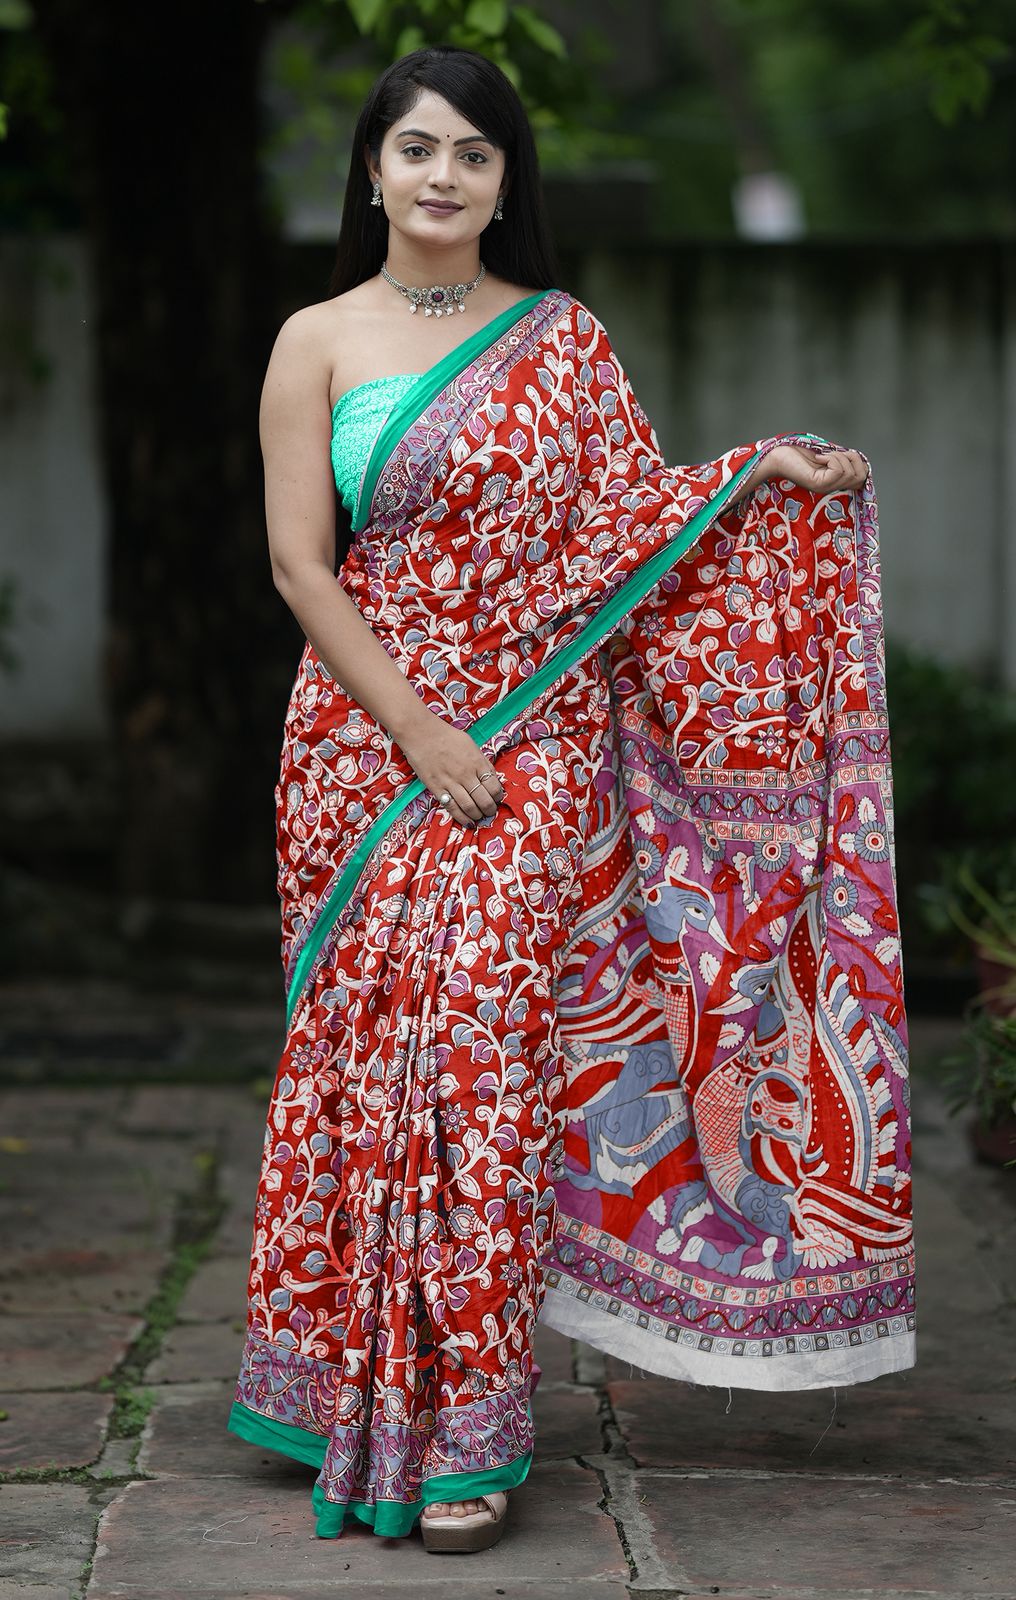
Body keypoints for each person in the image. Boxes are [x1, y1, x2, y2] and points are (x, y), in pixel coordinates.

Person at [227, 44, 914, 1553]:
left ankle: (472, 1433)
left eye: (475, 155)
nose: (444, 176)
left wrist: (756, 479)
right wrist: (418, 731)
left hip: (529, 747)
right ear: (372, 169)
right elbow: (299, 565)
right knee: (367, 1073)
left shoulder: (563, 340)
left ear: (503, 183)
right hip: (364, 750)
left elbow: (628, 530)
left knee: (478, 1067)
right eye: (418, 149)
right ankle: (352, 1373)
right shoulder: (314, 340)